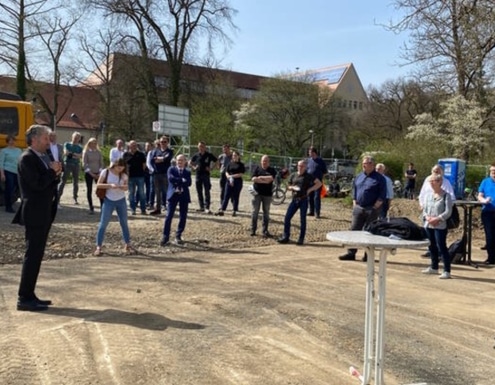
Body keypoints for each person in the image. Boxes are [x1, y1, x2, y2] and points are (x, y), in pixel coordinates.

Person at [13, 125, 62, 311]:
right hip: (34, 212)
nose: (48, 141)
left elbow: (49, 181)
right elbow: (36, 184)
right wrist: (51, 172)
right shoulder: (27, 158)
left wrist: (56, 172)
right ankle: (24, 298)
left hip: (44, 211)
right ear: (34, 139)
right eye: (45, 138)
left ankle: (30, 294)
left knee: (37, 254)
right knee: (32, 255)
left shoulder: (43, 156)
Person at [339, 156, 386, 261]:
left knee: (369, 232)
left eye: (366, 163)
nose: (363, 165)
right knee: (354, 230)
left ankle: (368, 255)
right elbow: (354, 191)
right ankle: (351, 253)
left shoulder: (379, 178)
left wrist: (375, 207)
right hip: (359, 208)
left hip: (371, 209)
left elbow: (382, 195)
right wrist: (355, 203)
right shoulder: (359, 177)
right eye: (363, 163)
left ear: (372, 165)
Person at [94, 158, 136, 256]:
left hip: (121, 200)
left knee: (124, 222)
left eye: (122, 167)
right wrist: (110, 185)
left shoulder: (124, 175)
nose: (120, 169)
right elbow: (98, 185)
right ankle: (98, 246)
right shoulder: (106, 171)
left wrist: (123, 187)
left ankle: (127, 244)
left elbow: (126, 187)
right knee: (103, 223)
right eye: (118, 167)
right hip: (109, 200)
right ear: (115, 165)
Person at [277, 159, 322, 245]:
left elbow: (319, 183)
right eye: (299, 166)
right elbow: (288, 186)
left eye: (302, 166)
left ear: (305, 167)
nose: (300, 168)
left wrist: (310, 189)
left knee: (302, 220)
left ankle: (301, 238)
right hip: (294, 199)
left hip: (303, 199)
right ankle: (286, 236)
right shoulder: (293, 175)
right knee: (287, 218)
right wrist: (292, 188)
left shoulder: (308, 176)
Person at [421, 173, 453, 278]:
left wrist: (438, 218)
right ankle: (434, 267)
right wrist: (427, 218)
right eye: (430, 181)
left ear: (440, 182)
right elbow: (424, 209)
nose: (431, 183)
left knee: (441, 246)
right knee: (431, 246)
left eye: (433, 181)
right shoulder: (428, 196)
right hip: (429, 225)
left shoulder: (446, 196)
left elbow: (448, 212)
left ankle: (446, 270)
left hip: (440, 225)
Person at [160, 154, 192, 246]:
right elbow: (171, 179)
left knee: (183, 216)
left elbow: (189, 183)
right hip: (173, 195)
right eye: (178, 160)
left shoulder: (187, 172)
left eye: (182, 160)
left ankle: (178, 235)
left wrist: (178, 180)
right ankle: (165, 237)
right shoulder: (171, 169)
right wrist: (182, 180)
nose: (180, 162)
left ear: (185, 161)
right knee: (169, 216)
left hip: (184, 195)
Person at [250, 155, 276, 237]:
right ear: (261, 161)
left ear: (268, 162)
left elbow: (271, 179)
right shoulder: (257, 169)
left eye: (266, 161)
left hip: (267, 195)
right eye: (263, 161)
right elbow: (253, 179)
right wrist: (265, 180)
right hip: (257, 194)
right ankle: (253, 229)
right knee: (255, 212)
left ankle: (265, 230)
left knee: (266, 213)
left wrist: (260, 178)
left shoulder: (272, 170)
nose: (264, 162)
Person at [189, 141, 217, 214]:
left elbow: (217, 161)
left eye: (202, 146)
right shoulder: (196, 155)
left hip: (206, 175)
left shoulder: (209, 155)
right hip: (198, 175)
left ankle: (207, 207)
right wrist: (194, 167)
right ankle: (201, 207)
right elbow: (190, 162)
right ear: (198, 147)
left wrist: (211, 168)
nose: (201, 148)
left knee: (207, 191)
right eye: (199, 146)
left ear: (205, 147)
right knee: (199, 191)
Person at [215, 150, 245, 216]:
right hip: (229, 181)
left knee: (235, 196)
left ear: (238, 156)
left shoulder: (241, 165)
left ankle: (234, 210)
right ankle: (222, 210)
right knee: (226, 195)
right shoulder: (230, 163)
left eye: (235, 155)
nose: (234, 157)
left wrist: (232, 176)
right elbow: (226, 171)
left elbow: (241, 174)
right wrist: (228, 176)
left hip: (237, 182)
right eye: (233, 155)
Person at [149, 136, 173, 215]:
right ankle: (158, 209)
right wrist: (161, 159)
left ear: (167, 143)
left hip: (165, 174)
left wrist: (159, 159)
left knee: (166, 191)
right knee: (157, 192)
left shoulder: (170, 151)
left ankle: (169, 207)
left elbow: (167, 159)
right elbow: (152, 160)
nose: (163, 143)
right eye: (161, 142)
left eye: (165, 142)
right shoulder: (155, 150)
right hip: (156, 174)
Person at [477, 163, 495, 265]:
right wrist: (483, 200)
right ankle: (491, 258)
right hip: (488, 212)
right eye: (492, 171)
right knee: (490, 236)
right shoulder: (485, 182)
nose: (494, 173)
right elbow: (480, 195)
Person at [58, 131, 83, 205]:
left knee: (76, 182)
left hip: (76, 165)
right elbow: (66, 153)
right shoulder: (67, 144)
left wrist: (72, 154)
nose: (76, 139)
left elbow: (80, 156)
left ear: (79, 139)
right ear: (72, 137)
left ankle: (75, 198)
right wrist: (75, 155)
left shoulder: (80, 147)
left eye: (77, 138)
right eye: (75, 137)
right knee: (63, 181)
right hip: (67, 164)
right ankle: (58, 197)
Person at [123, 140, 147, 215]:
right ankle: (133, 209)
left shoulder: (141, 154)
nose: (133, 146)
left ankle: (143, 209)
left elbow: (144, 165)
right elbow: (124, 165)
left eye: (135, 145)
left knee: (142, 193)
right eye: (132, 145)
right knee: (131, 194)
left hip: (140, 176)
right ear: (129, 146)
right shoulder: (125, 154)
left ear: (137, 146)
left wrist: (142, 173)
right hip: (130, 177)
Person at [0, 135, 22, 213]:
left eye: (13, 140)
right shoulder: (4, 151)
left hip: (17, 171)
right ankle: (8, 207)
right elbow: (1, 163)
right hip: (8, 171)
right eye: (10, 140)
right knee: (9, 189)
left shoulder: (19, 150)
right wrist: (2, 174)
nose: (12, 142)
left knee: (16, 188)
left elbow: (20, 161)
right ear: (7, 142)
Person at [82, 137, 104, 214]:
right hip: (89, 173)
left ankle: (102, 207)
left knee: (100, 189)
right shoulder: (86, 152)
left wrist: (99, 173)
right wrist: (91, 173)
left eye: (95, 143)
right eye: (92, 143)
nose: (94, 144)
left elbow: (101, 163)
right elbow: (84, 164)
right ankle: (91, 207)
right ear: (89, 144)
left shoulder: (99, 152)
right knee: (89, 190)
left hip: (98, 173)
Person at [306, 146, 327, 218]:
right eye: (309, 152)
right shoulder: (308, 161)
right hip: (309, 181)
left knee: (316, 197)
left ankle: (317, 212)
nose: (309, 153)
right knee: (310, 196)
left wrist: (320, 178)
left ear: (314, 152)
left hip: (318, 182)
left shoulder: (321, 161)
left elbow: (324, 171)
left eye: (310, 152)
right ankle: (311, 211)